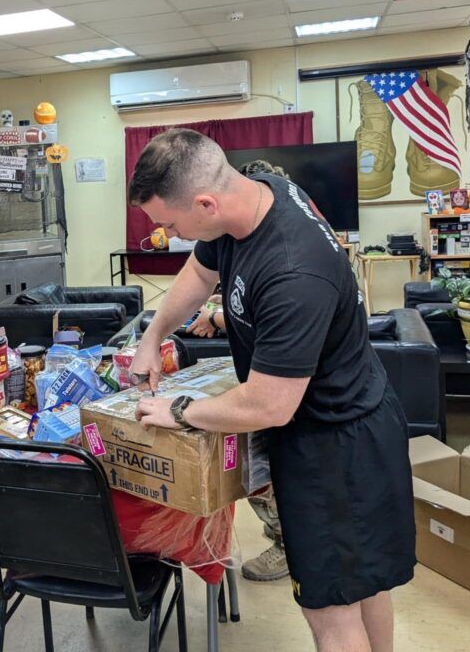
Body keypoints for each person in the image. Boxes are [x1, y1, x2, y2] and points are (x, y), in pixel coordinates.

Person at [128, 129, 414, 652]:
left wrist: (182, 409)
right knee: (362, 582)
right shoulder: (258, 192)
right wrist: (153, 335)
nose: (170, 235)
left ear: (206, 203)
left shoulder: (292, 270)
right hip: (346, 420)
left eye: (170, 224)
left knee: (329, 607)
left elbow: (268, 405)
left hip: (336, 446)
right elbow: (200, 270)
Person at [185, 158, 291, 582]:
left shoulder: (288, 251)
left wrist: (214, 319)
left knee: (261, 471)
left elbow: (267, 313)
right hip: (261, 372)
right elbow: (202, 274)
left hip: (286, 385)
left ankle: (287, 545)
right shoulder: (235, 237)